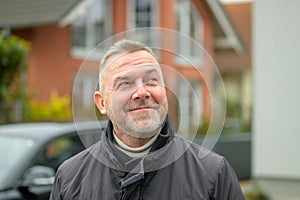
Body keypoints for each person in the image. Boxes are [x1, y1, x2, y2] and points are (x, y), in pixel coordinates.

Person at [50, 39, 245, 199]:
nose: (142, 92)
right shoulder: (69, 178)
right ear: (102, 103)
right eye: (125, 83)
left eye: (151, 80)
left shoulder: (213, 173)